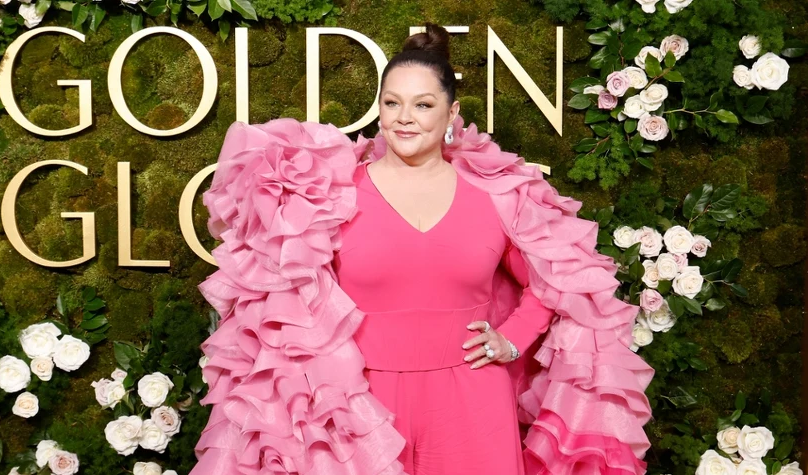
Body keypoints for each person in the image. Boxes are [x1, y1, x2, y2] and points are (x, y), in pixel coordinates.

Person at [192, 23, 654, 475]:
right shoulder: (332, 198)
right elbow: (288, 305)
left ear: (452, 114)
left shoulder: (497, 195)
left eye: (423, 104)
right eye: (392, 103)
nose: (404, 117)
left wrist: (512, 338)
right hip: (362, 409)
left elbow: (558, 279)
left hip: (474, 406)